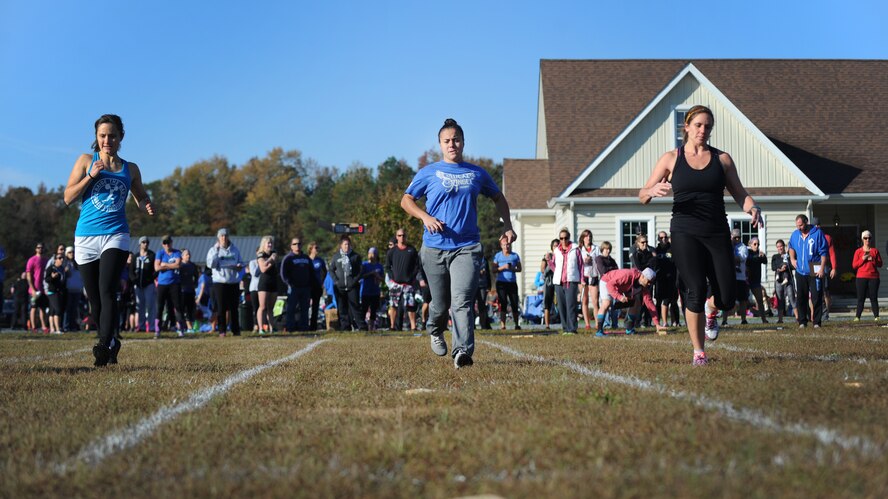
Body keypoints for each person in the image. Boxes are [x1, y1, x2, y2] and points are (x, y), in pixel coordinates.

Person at [639, 104, 763, 366]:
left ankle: (711, 309)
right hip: (684, 231)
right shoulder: (671, 158)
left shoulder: (722, 159)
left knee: (727, 297)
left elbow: (740, 193)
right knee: (693, 288)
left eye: (707, 126)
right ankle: (699, 353)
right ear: (686, 127)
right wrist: (652, 191)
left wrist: (753, 207)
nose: (703, 130)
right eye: (698, 125)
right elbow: (642, 194)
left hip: (717, 231)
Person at [401, 118, 515, 368]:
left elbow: (498, 197)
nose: (452, 144)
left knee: (462, 301)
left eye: (456, 139)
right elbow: (406, 200)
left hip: (467, 247)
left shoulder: (476, 173)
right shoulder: (428, 172)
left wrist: (507, 225)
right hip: (434, 248)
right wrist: (425, 217)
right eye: (447, 140)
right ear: (440, 145)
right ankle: (434, 330)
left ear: (463, 142)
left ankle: (461, 352)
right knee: (440, 305)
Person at [63, 114, 155, 365]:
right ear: (96, 137)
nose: (107, 140)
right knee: (94, 299)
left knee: (107, 290)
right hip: (85, 237)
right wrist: (91, 176)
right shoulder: (85, 160)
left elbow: (140, 194)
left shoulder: (130, 168)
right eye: (102, 135)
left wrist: (146, 203)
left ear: (120, 137)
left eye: (112, 135)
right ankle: (112, 341)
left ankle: (103, 346)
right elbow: (68, 197)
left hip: (116, 234)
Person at [596, 267, 665, 336]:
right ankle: (599, 331)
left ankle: (629, 328)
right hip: (606, 281)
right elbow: (609, 285)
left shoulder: (644, 286)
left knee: (636, 303)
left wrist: (657, 324)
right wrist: (619, 297)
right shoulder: (627, 275)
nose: (649, 284)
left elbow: (650, 304)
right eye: (649, 281)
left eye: (651, 282)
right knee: (607, 303)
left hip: (619, 287)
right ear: (643, 276)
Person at [788, 214, 829, 329]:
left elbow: (824, 252)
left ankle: (816, 322)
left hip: (814, 266)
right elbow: (791, 246)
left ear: (806, 222)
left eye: (801, 225)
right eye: (797, 226)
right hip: (800, 269)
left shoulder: (817, 233)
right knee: (801, 296)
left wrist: (822, 268)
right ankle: (802, 321)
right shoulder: (795, 234)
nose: (799, 228)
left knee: (816, 296)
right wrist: (792, 259)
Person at [207, 228, 243, 337]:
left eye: (226, 236)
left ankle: (236, 330)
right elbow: (210, 265)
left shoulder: (235, 250)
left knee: (234, 308)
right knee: (221, 308)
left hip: (233, 282)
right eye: (221, 236)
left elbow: (240, 262)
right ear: (218, 237)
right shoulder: (213, 250)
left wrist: (239, 266)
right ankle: (222, 330)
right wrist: (217, 252)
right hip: (220, 282)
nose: (224, 238)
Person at [385, 228, 421, 331]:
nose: (402, 238)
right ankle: (392, 326)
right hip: (395, 283)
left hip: (408, 283)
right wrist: (392, 278)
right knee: (393, 305)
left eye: (403, 235)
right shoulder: (392, 252)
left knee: (411, 305)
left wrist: (412, 277)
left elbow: (417, 266)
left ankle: (413, 327)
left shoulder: (412, 250)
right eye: (399, 235)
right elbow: (387, 266)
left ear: (406, 236)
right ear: (396, 237)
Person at [330, 235, 367, 331]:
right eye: (345, 244)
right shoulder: (336, 257)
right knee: (342, 308)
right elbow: (331, 270)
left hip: (352, 286)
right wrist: (336, 281)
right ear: (341, 245)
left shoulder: (355, 256)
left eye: (348, 244)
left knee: (355, 307)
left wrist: (354, 281)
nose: (347, 246)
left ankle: (362, 326)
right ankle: (345, 327)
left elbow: (360, 270)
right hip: (340, 287)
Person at [281, 237, 317, 332]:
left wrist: (310, 284)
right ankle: (290, 328)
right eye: (294, 244)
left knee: (305, 309)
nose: (297, 246)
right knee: (291, 309)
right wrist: (290, 284)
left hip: (305, 288)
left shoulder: (306, 258)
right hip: (293, 288)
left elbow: (312, 272)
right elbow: (283, 273)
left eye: (299, 244)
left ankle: (304, 327)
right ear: (291, 246)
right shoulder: (288, 258)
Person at [552, 228, 583, 335]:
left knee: (571, 305)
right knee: (561, 306)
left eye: (566, 238)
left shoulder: (575, 249)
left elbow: (581, 265)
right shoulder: (556, 251)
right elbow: (554, 267)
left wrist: (582, 279)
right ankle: (565, 328)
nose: (563, 240)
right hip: (559, 282)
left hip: (571, 280)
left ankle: (572, 328)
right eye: (561, 238)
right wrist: (548, 260)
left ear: (569, 238)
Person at [154, 235, 186, 337]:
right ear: (162, 244)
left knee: (177, 306)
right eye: (165, 243)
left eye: (168, 242)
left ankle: (180, 328)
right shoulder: (160, 253)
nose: (167, 245)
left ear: (171, 242)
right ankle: (157, 330)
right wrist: (167, 266)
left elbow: (178, 265)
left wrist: (164, 264)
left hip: (174, 284)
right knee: (160, 307)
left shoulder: (177, 253)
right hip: (162, 284)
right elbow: (156, 268)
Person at [852, 230, 882, 321]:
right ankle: (857, 317)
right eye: (865, 238)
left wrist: (873, 259)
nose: (867, 240)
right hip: (861, 277)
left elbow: (880, 264)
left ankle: (876, 316)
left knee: (873, 297)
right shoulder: (858, 251)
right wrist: (862, 259)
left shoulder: (875, 251)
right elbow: (854, 265)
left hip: (874, 277)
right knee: (861, 298)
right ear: (862, 239)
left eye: (869, 238)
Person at [493, 236, 522, 330]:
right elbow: (493, 269)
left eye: (508, 244)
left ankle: (517, 324)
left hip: (512, 283)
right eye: (504, 245)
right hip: (501, 283)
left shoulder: (515, 256)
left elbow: (519, 268)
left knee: (514, 303)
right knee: (503, 303)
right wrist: (503, 267)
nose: (506, 246)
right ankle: (503, 325)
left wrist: (512, 268)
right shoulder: (497, 256)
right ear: (501, 246)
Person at [812, 217, 837, 321]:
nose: (817, 227)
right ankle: (814, 314)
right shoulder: (809, 237)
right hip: (813, 265)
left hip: (824, 265)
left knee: (825, 291)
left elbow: (832, 253)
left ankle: (826, 314)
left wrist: (834, 267)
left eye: (818, 225)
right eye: (815, 225)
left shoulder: (826, 237)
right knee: (813, 291)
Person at [130, 236, 157, 333]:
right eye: (143, 242)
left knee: (150, 305)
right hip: (138, 285)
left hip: (149, 285)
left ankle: (152, 326)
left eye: (147, 242)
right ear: (139, 244)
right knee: (140, 306)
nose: (145, 244)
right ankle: (140, 326)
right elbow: (131, 271)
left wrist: (150, 279)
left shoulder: (152, 255)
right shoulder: (135, 256)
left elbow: (156, 270)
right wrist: (134, 281)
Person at [653, 235, 680, 328]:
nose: (663, 239)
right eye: (661, 237)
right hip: (660, 279)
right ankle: (660, 322)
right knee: (660, 301)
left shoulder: (673, 249)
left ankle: (675, 321)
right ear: (658, 239)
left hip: (672, 279)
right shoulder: (656, 250)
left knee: (673, 301)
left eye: (665, 237)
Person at [255, 235, 279, 334]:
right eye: (268, 243)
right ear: (263, 244)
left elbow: (267, 264)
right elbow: (263, 269)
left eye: (271, 243)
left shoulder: (275, 253)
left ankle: (272, 328)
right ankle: (261, 328)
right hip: (264, 283)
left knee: (271, 308)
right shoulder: (260, 254)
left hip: (273, 281)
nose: (270, 245)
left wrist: (269, 261)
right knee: (262, 306)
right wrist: (270, 260)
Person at [594, 241, 620, 328]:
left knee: (615, 305)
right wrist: (611, 269)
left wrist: (611, 269)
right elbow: (603, 270)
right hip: (604, 283)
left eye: (609, 249)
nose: (608, 251)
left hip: (613, 283)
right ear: (602, 249)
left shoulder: (612, 260)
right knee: (605, 304)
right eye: (606, 249)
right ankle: (605, 323)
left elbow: (617, 270)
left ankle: (615, 324)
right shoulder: (599, 258)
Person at [630, 234, 654, 327]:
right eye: (642, 242)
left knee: (648, 300)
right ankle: (636, 322)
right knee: (638, 301)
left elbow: (652, 265)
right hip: (639, 280)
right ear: (638, 243)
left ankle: (647, 322)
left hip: (648, 281)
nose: (645, 244)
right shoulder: (636, 254)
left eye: (646, 242)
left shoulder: (649, 253)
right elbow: (638, 267)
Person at [579, 229, 600, 330]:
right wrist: (584, 261)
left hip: (594, 275)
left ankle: (597, 323)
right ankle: (587, 324)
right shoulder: (579, 249)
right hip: (583, 277)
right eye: (586, 236)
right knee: (584, 301)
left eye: (590, 236)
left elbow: (600, 261)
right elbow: (577, 264)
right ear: (583, 238)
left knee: (595, 301)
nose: (589, 238)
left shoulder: (596, 248)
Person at [25, 242, 49, 332]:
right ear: (36, 249)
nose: (40, 249)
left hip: (43, 289)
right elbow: (28, 275)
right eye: (38, 247)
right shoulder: (32, 260)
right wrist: (32, 289)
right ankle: (34, 327)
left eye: (42, 247)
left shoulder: (46, 260)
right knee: (33, 308)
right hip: (34, 289)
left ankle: (44, 327)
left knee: (43, 308)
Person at [728, 228, 750, 325]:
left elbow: (738, 259)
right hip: (731, 276)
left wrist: (730, 254)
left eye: (738, 237)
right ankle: (725, 320)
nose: (736, 239)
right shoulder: (728, 247)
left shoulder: (743, 247)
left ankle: (743, 319)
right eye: (734, 237)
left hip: (740, 277)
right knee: (728, 299)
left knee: (743, 300)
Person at [746, 236, 769, 323]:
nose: (756, 246)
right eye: (755, 244)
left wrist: (763, 256)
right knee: (744, 300)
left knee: (760, 300)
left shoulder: (759, 253)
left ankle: (764, 319)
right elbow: (749, 260)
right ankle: (743, 319)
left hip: (756, 281)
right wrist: (758, 257)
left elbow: (765, 261)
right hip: (747, 280)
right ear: (750, 244)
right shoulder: (747, 253)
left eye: (758, 244)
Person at [360, 247, 385, 330]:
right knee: (364, 309)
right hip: (366, 291)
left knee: (373, 310)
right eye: (370, 253)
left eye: (373, 253)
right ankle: (362, 326)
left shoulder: (379, 266)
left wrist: (377, 276)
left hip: (375, 291)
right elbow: (361, 276)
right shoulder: (364, 265)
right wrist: (371, 273)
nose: (371, 255)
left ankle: (371, 327)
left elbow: (383, 279)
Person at [44, 253, 67, 334]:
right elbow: (46, 279)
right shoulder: (50, 268)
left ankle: (52, 329)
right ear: (55, 260)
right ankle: (57, 329)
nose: (61, 259)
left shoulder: (62, 268)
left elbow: (63, 280)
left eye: (62, 258)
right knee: (58, 310)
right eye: (59, 258)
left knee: (52, 310)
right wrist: (52, 277)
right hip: (52, 292)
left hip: (59, 292)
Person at [308, 242, 327, 331]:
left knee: (315, 308)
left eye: (318, 247)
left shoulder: (320, 260)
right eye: (316, 248)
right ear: (311, 249)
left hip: (317, 287)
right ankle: (303, 325)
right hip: (307, 287)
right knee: (305, 307)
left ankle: (313, 327)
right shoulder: (307, 260)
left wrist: (322, 282)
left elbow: (324, 272)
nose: (317, 249)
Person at [64, 246, 84, 331]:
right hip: (68, 289)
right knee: (68, 309)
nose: (71, 254)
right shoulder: (65, 263)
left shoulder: (77, 264)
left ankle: (73, 326)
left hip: (77, 289)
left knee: (74, 309)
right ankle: (66, 326)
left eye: (73, 252)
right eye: (69, 252)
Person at [179, 249, 198, 332]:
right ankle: (182, 327)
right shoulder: (179, 266)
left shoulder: (193, 265)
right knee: (182, 309)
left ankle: (190, 327)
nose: (188, 256)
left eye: (189, 254)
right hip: (182, 291)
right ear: (182, 256)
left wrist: (194, 284)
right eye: (186, 254)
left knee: (190, 309)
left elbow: (196, 276)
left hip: (190, 290)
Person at [541, 239, 558, 328]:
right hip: (548, 282)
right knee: (547, 303)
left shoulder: (561, 256)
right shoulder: (547, 257)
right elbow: (542, 270)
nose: (556, 247)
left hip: (558, 281)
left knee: (560, 303)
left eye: (557, 245)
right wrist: (548, 261)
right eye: (554, 245)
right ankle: (547, 324)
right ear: (551, 247)